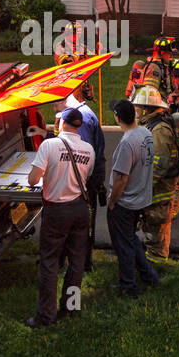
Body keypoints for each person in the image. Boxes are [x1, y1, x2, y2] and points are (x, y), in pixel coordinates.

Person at [24, 108, 95, 328]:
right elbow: (87, 175)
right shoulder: (88, 149)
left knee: (49, 262)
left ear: (62, 124)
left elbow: (33, 179)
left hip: (57, 210)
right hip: (80, 209)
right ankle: (71, 308)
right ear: (78, 126)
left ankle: (46, 316)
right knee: (76, 263)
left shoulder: (49, 145)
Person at [105, 100, 160, 296]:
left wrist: (112, 201)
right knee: (131, 240)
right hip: (141, 199)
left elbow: (121, 178)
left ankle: (129, 287)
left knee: (124, 245)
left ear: (117, 118)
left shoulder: (127, 143)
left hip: (125, 203)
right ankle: (149, 276)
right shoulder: (146, 133)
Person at [132, 86, 179, 265]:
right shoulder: (150, 125)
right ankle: (153, 268)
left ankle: (157, 268)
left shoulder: (160, 130)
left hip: (159, 191)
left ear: (147, 108)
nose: (135, 110)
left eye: (138, 106)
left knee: (157, 233)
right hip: (153, 190)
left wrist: (141, 187)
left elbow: (158, 165)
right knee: (152, 230)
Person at [63, 79, 106, 272]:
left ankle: (83, 264)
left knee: (83, 225)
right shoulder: (83, 113)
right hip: (89, 180)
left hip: (85, 184)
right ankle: (82, 262)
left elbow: (82, 156)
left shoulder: (81, 120)